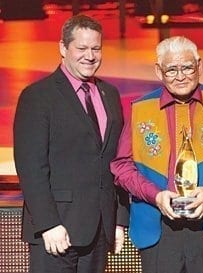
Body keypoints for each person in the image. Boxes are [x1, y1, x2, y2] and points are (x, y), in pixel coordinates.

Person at [110, 36, 203, 273]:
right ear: (159, 71)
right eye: (171, 70)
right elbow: (122, 167)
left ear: (200, 66)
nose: (180, 76)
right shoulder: (140, 109)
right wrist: (155, 196)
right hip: (158, 227)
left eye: (187, 67)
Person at [13, 14, 129, 273]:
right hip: (56, 232)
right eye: (82, 48)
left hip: (100, 230)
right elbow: (31, 167)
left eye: (96, 48)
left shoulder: (109, 94)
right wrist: (47, 223)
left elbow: (117, 160)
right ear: (63, 48)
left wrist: (119, 220)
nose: (90, 56)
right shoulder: (38, 96)